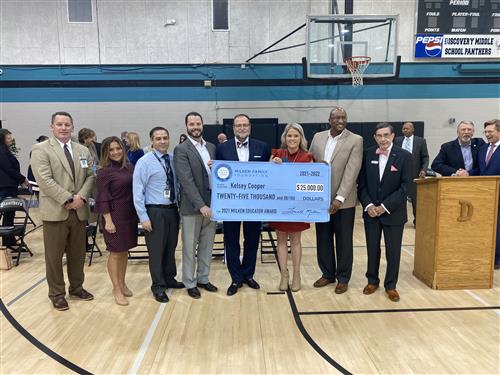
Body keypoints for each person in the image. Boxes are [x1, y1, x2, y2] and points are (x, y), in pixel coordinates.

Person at [31, 111, 95, 311]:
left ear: (73, 127)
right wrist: (68, 198)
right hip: (55, 211)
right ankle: (57, 293)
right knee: (54, 256)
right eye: (59, 124)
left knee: (78, 254)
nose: (64, 128)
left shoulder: (82, 150)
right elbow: (44, 180)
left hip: (79, 211)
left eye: (67, 124)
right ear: (52, 127)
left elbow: (91, 176)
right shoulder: (41, 149)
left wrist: (81, 197)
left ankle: (77, 288)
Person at [309, 107, 363, 294]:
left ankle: (343, 278)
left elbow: (352, 171)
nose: (341, 120)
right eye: (337, 117)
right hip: (320, 200)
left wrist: (339, 198)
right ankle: (327, 274)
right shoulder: (317, 137)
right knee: (323, 238)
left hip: (344, 202)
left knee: (344, 241)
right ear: (329, 120)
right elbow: (309, 163)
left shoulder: (356, 140)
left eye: (344, 117)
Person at [216, 114, 271, 296]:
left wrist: (276, 165)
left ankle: (248, 274)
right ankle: (235, 278)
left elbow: (268, 174)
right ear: (233, 128)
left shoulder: (262, 147)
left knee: (252, 240)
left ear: (250, 127)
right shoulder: (222, 148)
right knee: (231, 241)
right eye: (238, 125)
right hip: (231, 204)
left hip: (254, 205)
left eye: (244, 125)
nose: (241, 128)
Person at [358, 122, 412, 302]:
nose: (383, 139)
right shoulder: (367, 154)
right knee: (372, 249)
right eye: (379, 136)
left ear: (392, 136)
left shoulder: (404, 156)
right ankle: (372, 281)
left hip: (393, 213)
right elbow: (362, 184)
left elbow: (406, 187)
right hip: (371, 213)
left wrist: (384, 207)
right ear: (375, 138)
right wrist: (368, 206)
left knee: (393, 251)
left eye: (386, 135)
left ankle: (391, 285)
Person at [133, 126, 183, 303]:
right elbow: (137, 191)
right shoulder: (144, 162)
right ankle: (158, 285)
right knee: (156, 250)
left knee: (171, 247)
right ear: (152, 141)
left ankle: (170, 278)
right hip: (154, 211)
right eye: (158, 139)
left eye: (165, 138)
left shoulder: (173, 159)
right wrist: (143, 217)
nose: (162, 141)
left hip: (172, 210)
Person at [174, 112, 218, 299]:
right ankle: (189, 282)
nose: (195, 127)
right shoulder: (181, 149)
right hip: (192, 208)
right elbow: (186, 180)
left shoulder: (211, 147)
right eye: (191, 124)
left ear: (203, 125)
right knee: (190, 247)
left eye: (198, 123)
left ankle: (203, 278)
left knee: (207, 245)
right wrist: (201, 205)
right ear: (186, 126)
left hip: (212, 206)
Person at [94, 136, 138, 306]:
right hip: (114, 216)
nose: (115, 152)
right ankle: (116, 288)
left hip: (129, 215)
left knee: (124, 251)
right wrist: (108, 221)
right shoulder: (104, 172)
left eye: (118, 148)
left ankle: (123, 282)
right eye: (111, 150)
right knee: (115, 252)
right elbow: (102, 197)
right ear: (106, 153)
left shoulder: (129, 167)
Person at [270, 123, 314, 292]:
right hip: (280, 206)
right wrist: (273, 165)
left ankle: (296, 274)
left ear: (301, 138)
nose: (292, 139)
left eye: (296, 136)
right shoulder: (277, 154)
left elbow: (312, 182)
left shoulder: (308, 157)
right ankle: (284, 274)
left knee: (295, 241)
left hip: (298, 206)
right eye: (289, 136)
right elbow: (267, 177)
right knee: (281, 242)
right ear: (284, 138)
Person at [470, 119, 500, 269]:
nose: (487, 135)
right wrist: (467, 174)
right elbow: (481, 171)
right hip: (485, 195)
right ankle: (488, 256)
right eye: (486, 132)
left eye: (490, 132)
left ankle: (497, 258)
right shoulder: (483, 149)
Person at [394, 122, 429, 225]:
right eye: (403, 129)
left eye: (407, 128)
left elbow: (425, 157)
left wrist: (424, 170)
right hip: (399, 175)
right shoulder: (397, 140)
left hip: (415, 175)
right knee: (399, 199)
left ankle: (417, 221)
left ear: (413, 129)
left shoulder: (421, 141)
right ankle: (398, 220)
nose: (405, 130)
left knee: (415, 200)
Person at [0, 129, 27, 246]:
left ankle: (9, 240)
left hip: (9, 185)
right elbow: (9, 169)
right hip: (5, 187)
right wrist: (22, 179)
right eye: (9, 138)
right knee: (7, 212)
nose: (11, 140)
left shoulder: (5, 150)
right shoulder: (1, 151)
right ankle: (8, 240)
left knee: (10, 213)